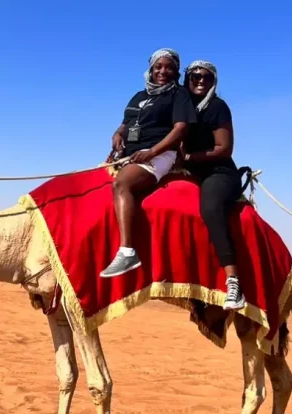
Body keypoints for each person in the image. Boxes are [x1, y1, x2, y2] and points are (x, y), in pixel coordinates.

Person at [99, 48, 195, 278]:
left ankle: (127, 252)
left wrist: (151, 152)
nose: (163, 71)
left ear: (176, 72)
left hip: (159, 153)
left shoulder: (178, 95)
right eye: (158, 67)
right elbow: (126, 123)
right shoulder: (138, 96)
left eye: (169, 67)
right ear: (150, 69)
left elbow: (180, 128)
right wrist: (117, 134)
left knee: (122, 184)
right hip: (130, 153)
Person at [181, 59, 245, 310]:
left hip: (217, 172)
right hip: (185, 170)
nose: (200, 81)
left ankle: (233, 282)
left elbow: (224, 148)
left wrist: (188, 158)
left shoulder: (217, 107)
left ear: (214, 82)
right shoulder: (179, 106)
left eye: (207, 77)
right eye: (195, 76)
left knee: (210, 208)